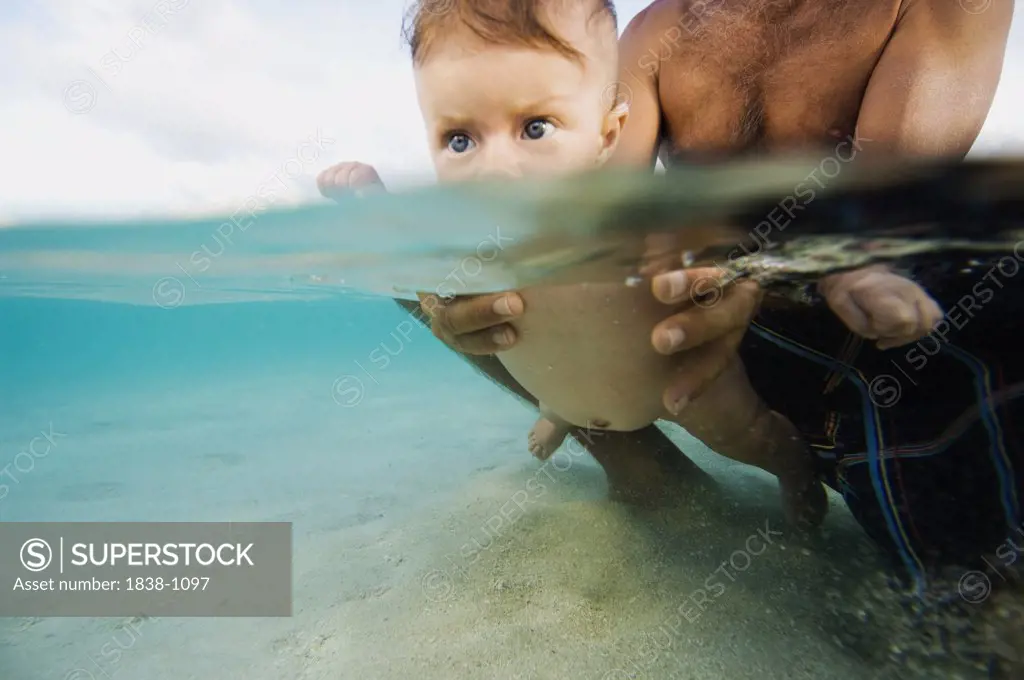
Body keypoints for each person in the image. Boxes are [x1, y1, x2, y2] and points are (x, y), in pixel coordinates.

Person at [318, 0, 951, 528]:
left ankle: (790, 469)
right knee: (494, 326)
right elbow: (413, 259)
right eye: (459, 139)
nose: (496, 168)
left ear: (607, 134)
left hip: (674, 382)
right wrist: (370, 200)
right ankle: (567, 415)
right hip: (565, 381)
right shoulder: (472, 235)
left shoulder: (624, 220)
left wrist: (849, 269)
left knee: (747, 432)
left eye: (535, 128)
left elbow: (706, 249)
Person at [609, 0, 1018, 585]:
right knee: (481, 295)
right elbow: (602, 223)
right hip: (722, 327)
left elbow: (882, 214)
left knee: (982, 612)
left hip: (888, 327)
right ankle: (638, 462)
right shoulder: (655, 31)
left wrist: (839, 271)